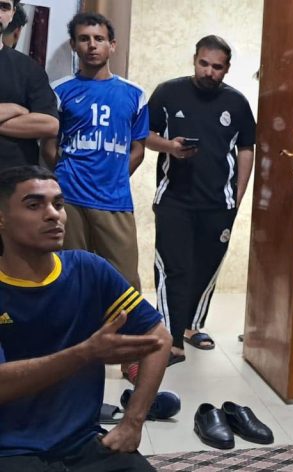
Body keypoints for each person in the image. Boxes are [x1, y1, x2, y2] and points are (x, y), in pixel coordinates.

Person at [0, 165, 170, 471]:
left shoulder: (88, 268)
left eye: (59, 204)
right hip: (9, 450)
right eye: (34, 205)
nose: (53, 215)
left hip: (83, 443)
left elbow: (159, 337)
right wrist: (86, 353)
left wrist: (132, 422)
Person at [145, 35, 255, 363]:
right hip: (174, 199)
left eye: (217, 67)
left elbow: (246, 148)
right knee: (174, 268)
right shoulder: (168, 93)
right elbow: (145, 135)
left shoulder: (237, 102)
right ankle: (170, 336)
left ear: (227, 68)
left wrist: (238, 195)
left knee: (206, 266)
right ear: (194, 60)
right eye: (203, 64)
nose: (209, 71)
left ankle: (191, 326)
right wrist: (170, 147)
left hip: (219, 203)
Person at [41, 12, 148, 291]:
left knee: (125, 281)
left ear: (112, 45)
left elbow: (138, 149)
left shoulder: (135, 94)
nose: (92, 45)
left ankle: (123, 322)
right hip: (71, 199)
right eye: (84, 39)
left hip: (115, 200)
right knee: (69, 276)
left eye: (99, 39)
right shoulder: (59, 90)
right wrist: (66, 177)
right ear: (74, 45)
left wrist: (114, 177)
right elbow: (49, 146)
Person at [0, 0, 58, 171]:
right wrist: (16, 109)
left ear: (12, 14)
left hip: (15, 178)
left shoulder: (28, 68)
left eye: (4, 7)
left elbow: (50, 124)